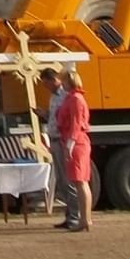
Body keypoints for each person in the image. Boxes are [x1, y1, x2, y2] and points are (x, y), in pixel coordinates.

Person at [56, 68, 94, 235]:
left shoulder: (76, 99)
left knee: (81, 182)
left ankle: (86, 219)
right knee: (79, 182)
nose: (61, 84)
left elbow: (76, 124)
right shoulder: (72, 98)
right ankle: (84, 219)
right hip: (74, 141)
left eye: (63, 81)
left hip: (77, 143)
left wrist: (70, 144)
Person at [39, 67, 67, 215]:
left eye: (46, 84)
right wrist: (44, 114)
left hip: (62, 139)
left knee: (67, 179)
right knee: (61, 180)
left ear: (53, 80)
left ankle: (74, 215)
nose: (46, 88)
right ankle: (70, 213)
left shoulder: (65, 95)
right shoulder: (53, 97)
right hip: (53, 138)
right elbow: (54, 117)